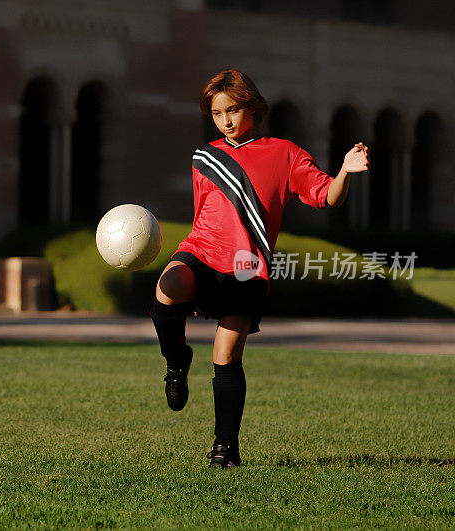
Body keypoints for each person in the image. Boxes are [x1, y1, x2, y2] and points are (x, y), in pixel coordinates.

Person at [150, 68, 370, 468]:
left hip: (245, 266)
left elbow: (326, 197)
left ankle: (225, 449)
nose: (227, 121)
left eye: (233, 110)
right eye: (217, 114)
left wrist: (345, 171)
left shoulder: (286, 153)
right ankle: (176, 361)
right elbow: (205, 214)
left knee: (226, 356)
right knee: (166, 288)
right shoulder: (205, 157)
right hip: (201, 251)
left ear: (251, 106)